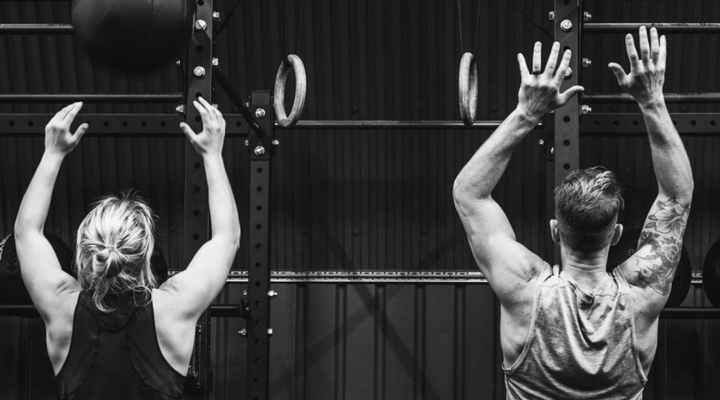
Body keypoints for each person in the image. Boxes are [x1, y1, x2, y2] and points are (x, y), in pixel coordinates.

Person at [453, 26, 692, 399]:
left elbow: (469, 194)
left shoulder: (523, 290)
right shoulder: (642, 295)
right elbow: (677, 196)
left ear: (554, 230)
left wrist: (527, 112)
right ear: (615, 235)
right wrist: (652, 102)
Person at [14, 97, 240, 399]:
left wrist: (52, 154)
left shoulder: (60, 306)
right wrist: (212, 155)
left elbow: (26, 232)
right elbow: (227, 237)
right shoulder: (175, 307)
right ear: (146, 254)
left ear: (85, 252)